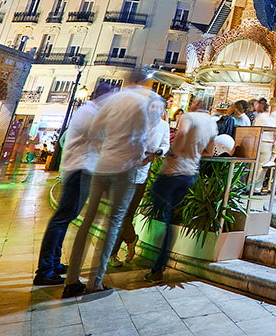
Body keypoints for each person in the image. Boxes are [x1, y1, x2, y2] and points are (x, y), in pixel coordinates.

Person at [63, 70, 164, 297]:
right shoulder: (143, 102)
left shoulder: (112, 99)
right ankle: (95, 282)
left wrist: (105, 149)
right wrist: (137, 155)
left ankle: (71, 280)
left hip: (102, 165)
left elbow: (95, 132)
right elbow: (143, 138)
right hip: (125, 168)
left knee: (88, 220)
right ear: (145, 82)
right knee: (114, 222)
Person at [33, 85, 110, 285]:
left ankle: (54, 263)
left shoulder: (87, 111)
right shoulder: (91, 114)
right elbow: (104, 140)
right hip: (79, 171)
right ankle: (45, 269)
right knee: (62, 218)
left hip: (78, 170)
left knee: (65, 218)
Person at [145, 98, 217, 282]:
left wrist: (174, 151)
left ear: (194, 105)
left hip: (172, 171)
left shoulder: (187, 117)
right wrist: (192, 153)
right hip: (189, 174)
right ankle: (158, 267)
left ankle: (154, 260)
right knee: (171, 220)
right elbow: (209, 151)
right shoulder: (211, 123)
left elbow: (182, 134)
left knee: (160, 211)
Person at [111, 95, 170, 266]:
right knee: (121, 214)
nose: (155, 110)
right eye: (152, 107)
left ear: (163, 110)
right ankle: (131, 239)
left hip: (142, 174)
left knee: (128, 214)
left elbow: (166, 144)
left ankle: (113, 254)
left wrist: (157, 152)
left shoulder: (164, 126)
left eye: (159, 107)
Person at [252, 99, 276, 191]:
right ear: (267, 108)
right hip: (266, 143)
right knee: (262, 166)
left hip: (257, 142)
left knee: (255, 166)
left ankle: (249, 186)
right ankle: (256, 188)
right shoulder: (267, 118)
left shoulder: (258, 117)